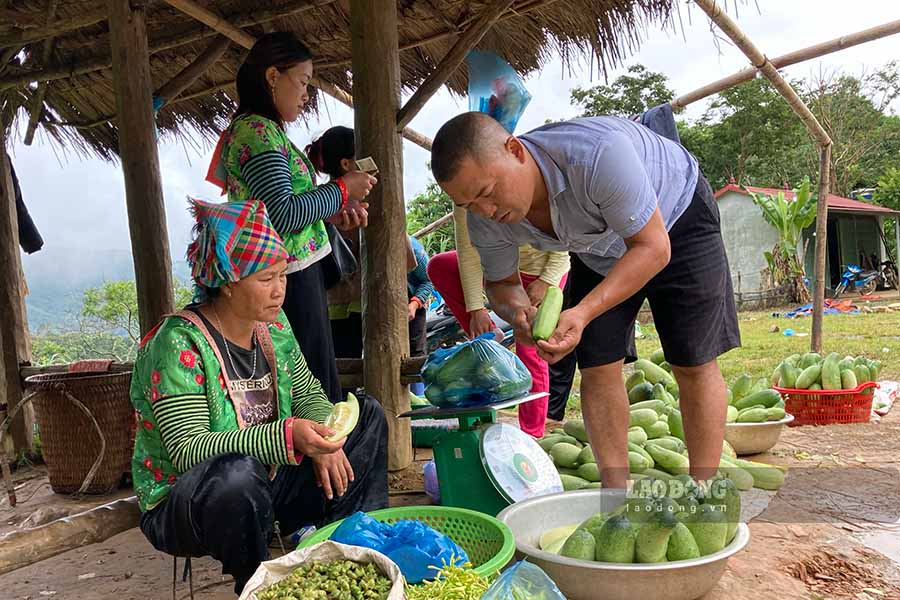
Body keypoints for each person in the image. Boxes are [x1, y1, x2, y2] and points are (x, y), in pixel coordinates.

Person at [430, 112, 740, 489]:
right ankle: (615, 495)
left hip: (676, 217)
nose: (486, 211)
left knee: (692, 360)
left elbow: (653, 248)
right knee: (597, 365)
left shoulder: (596, 155)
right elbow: (501, 284)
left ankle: (702, 491)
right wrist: (519, 313)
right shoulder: (483, 216)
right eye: (469, 205)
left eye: (487, 193)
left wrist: (584, 311)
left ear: (515, 150)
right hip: (596, 246)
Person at [132, 198, 388, 595]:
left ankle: (348, 544)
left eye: (283, 274)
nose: (280, 288)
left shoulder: (272, 325)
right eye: (267, 278)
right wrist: (288, 436)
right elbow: (188, 450)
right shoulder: (178, 343)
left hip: (268, 480)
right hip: (190, 500)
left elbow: (307, 394)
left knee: (366, 414)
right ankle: (254, 583)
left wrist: (326, 436)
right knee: (236, 475)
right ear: (229, 282)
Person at [206, 32, 377, 404]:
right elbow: (281, 215)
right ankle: (318, 459)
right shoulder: (257, 132)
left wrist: (330, 213)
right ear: (272, 76)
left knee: (310, 384)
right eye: (302, 81)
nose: (306, 94)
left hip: (293, 272)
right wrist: (343, 189)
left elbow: (282, 208)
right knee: (310, 390)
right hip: (287, 279)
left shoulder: (264, 131)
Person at [427, 205, 569, 437]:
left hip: (540, 272)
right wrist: (475, 310)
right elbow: (468, 251)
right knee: (440, 265)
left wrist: (546, 282)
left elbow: (563, 249)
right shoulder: (464, 194)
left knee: (531, 347)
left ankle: (533, 434)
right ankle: (489, 339)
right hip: (497, 269)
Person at [307, 126, 433, 370]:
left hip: (331, 308)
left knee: (342, 378)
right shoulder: (368, 203)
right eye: (361, 158)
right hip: (370, 306)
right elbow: (405, 262)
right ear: (347, 164)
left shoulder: (318, 201)